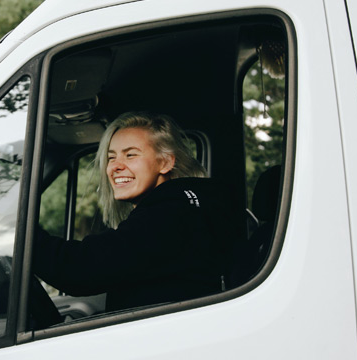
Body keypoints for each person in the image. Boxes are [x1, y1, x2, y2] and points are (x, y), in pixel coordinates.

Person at [33, 111, 236, 317]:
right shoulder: (183, 207)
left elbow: (81, 270)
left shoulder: (168, 215)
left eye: (131, 154)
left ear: (165, 163)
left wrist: (23, 237)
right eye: (111, 157)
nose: (116, 166)